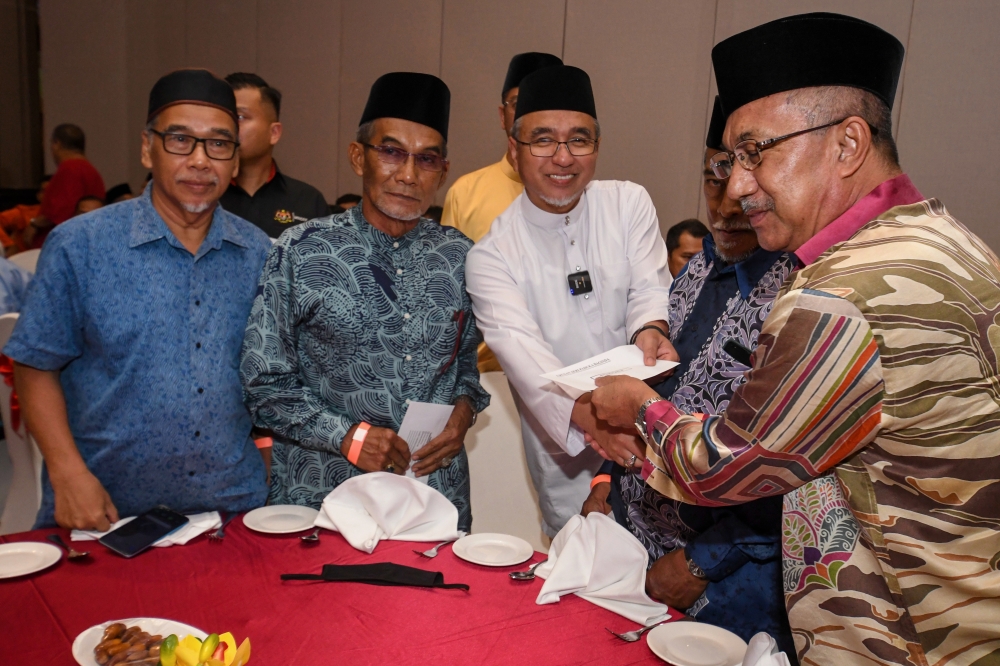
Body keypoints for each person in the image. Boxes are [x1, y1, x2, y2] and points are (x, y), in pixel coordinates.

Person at [590, 13, 1000, 665]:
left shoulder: (838, 293)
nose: (737, 186)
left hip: (904, 637)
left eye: (756, 152)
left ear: (848, 143)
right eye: (730, 162)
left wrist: (636, 407)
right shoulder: (950, 243)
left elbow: (733, 467)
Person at [4, 69, 271, 530]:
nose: (200, 160)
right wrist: (67, 473)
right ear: (147, 148)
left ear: (234, 160)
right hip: (107, 510)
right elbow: (34, 365)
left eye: (219, 144)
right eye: (180, 140)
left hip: (232, 511)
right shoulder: (81, 246)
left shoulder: (260, 253)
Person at [582, 97, 797, 656]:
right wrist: (604, 482)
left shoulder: (801, 296)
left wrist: (701, 562)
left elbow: (789, 463)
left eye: (744, 180)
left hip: (725, 575)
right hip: (631, 539)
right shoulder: (694, 270)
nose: (725, 204)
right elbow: (652, 384)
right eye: (713, 176)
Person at [241, 72, 490, 531]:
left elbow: (465, 370)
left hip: (433, 498)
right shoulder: (302, 251)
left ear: (443, 171)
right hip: (324, 497)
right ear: (359, 157)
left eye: (427, 159)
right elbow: (263, 382)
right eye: (391, 152)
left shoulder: (461, 256)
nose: (408, 175)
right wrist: (347, 436)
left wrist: (464, 413)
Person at [465, 65, 675, 537]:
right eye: (543, 140)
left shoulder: (627, 204)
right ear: (514, 149)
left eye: (579, 140)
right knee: (585, 561)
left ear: (596, 146)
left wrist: (651, 328)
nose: (563, 158)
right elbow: (529, 364)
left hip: (650, 424)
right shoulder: (492, 257)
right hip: (570, 452)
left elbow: (649, 289)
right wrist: (598, 421)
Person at [443, 52, 562, 373]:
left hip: (565, 371)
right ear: (502, 114)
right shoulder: (466, 193)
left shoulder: (580, 196)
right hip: (485, 374)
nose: (529, 113)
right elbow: (450, 299)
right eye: (519, 102)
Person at [219, 73, 329, 238]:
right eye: (225, 117)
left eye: (240, 117)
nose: (228, 127)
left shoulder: (307, 201)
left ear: (274, 133)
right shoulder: (205, 194)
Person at [24, 124, 105, 248]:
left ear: (57, 144)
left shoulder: (69, 169)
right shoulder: (91, 171)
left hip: (61, 245)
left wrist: (34, 225)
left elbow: (59, 212)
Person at [0, 176, 49, 254]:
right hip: (24, 258)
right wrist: (8, 245)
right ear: (38, 196)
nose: (49, 195)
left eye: (53, 191)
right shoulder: (24, 212)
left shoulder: (68, 217)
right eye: (44, 191)